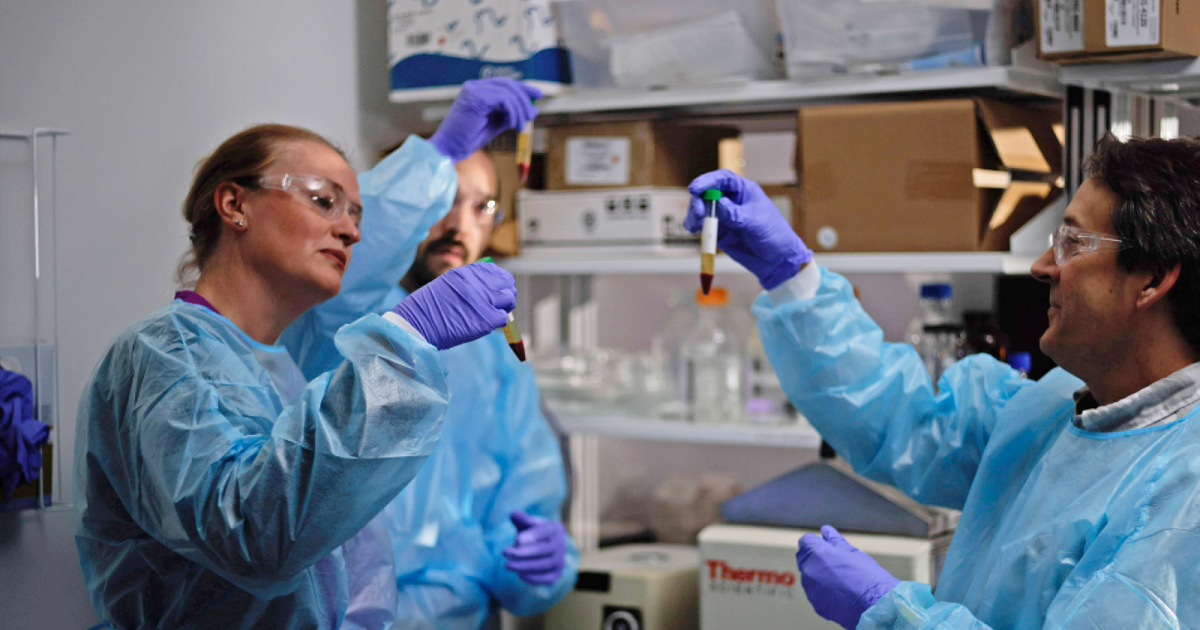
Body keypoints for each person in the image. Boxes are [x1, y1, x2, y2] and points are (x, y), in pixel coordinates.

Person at [685, 134, 1200, 629]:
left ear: (1153, 279)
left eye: (1073, 242)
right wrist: (790, 275)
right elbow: (904, 421)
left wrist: (889, 614)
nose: (1043, 266)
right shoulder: (1055, 411)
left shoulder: (1185, 494)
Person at [74, 122, 518, 630]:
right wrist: (402, 344)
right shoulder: (158, 357)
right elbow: (252, 533)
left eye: (356, 215)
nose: (351, 232)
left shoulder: (282, 370)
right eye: (324, 201)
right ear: (234, 205)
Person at [281, 78, 577, 629]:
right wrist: (435, 155)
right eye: (442, 200)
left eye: (483, 206)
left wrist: (539, 562)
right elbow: (359, 263)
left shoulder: (493, 356)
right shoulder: (333, 318)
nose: (459, 224)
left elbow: (523, 497)